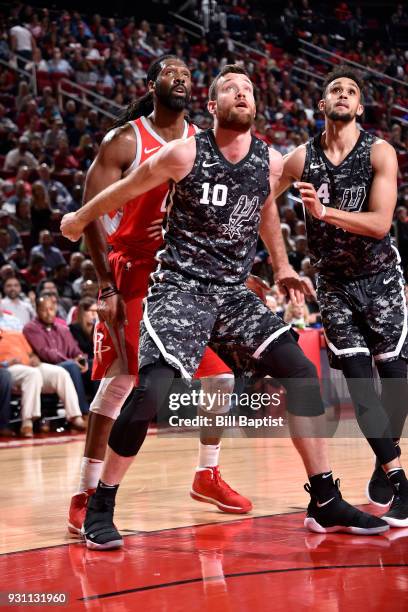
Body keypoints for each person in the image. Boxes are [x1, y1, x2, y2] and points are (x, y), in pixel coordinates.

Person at [62, 64, 390, 549]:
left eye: (249, 89)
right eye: (230, 89)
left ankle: (324, 499)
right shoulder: (185, 152)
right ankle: (102, 503)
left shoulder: (271, 162)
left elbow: (264, 208)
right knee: (151, 388)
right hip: (179, 289)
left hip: (232, 294)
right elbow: (123, 190)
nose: (242, 93)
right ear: (211, 108)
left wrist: (280, 266)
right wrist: (78, 218)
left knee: (300, 370)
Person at [65, 55, 251, 538]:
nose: (181, 79)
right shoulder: (126, 139)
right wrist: (105, 284)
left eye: (189, 74)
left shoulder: (202, 141)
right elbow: (87, 214)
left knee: (222, 381)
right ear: (152, 85)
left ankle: (206, 474)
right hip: (132, 271)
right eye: (171, 73)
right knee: (125, 381)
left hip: (183, 276)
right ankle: (86, 493)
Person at [277, 66, 408, 526]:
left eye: (352, 91)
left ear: (360, 107)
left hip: (381, 279)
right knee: (357, 377)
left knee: (394, 378)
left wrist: (323, 212)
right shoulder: (299, 159)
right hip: (333, 283)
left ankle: (381, 454)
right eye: (336, 89)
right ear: (322, 104)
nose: (344, 95)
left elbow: (379, 224)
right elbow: (257, 202)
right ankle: (398, 478)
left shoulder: (379, 150)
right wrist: (281, 265)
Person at [0, 325, 86, 437]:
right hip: (8, 369)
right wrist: (7, 363)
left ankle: (75, 417)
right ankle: (27, 422)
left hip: (29, 365)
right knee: (32, 374)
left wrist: (34, 358)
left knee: (60, 373)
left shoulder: (15, 334)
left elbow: (31, 353)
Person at [23, 295, 90, 417]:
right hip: (47, 367)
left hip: (67, 363)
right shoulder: (30, 328)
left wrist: (81, 358)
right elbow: (47, 353)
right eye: (44, 310)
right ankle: (83, 412)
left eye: (51, 309)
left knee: (92, 364)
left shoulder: (62, 328)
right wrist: (72, 361)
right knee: (71, 366)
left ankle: (100, 410)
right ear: (37, 311)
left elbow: (75, 349)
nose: (48, 313)